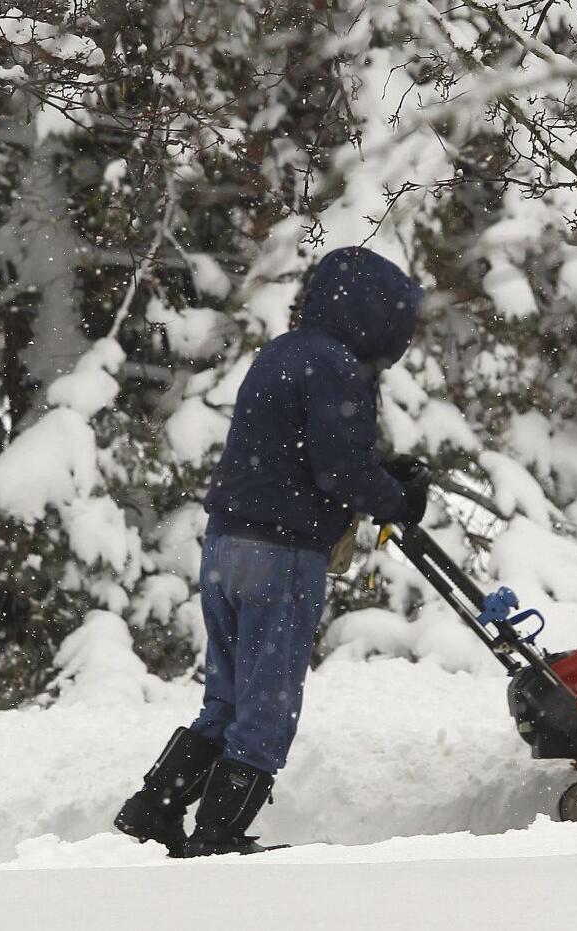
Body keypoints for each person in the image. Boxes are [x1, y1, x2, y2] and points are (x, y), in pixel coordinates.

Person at [114, 246, 432, 857]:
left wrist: (382, 473)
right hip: (281, 556)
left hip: (228, 545)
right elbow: (337, 471)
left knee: (228, 700)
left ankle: (153, 809)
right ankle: (220, 834)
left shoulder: (286, 352)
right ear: (373, 315)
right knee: (267, 710)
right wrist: (400, 500)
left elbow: (294, 450)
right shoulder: (336, 365)